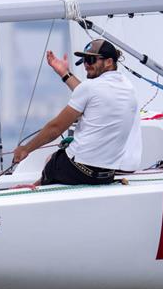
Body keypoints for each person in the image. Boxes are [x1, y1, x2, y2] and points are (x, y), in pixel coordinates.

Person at [12, 39, 141, 186]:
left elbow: (55, 128)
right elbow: (92, 96)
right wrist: (64, 73)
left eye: (91, 60)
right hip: (107, 175)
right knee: (57, 162)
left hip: (80, 171)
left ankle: (32, 191)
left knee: (51, 161)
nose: (86, 65)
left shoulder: (90, 88)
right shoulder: (128, 87)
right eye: (84, 60)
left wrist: (25, 149)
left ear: (109, 62)